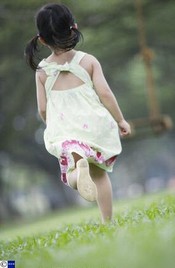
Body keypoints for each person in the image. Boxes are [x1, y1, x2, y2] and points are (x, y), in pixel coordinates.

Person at [25, 3, 131, 223]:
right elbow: (106, 94)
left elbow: (42, 108)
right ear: (74, 27)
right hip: (94, 126)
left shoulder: (42, 71)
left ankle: (78, 171)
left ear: (42, 40)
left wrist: (52, 125)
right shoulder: (88, 61)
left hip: (66, 130)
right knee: (100, 175)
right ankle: (107, 222)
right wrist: (120, 120)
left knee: (72, 169)